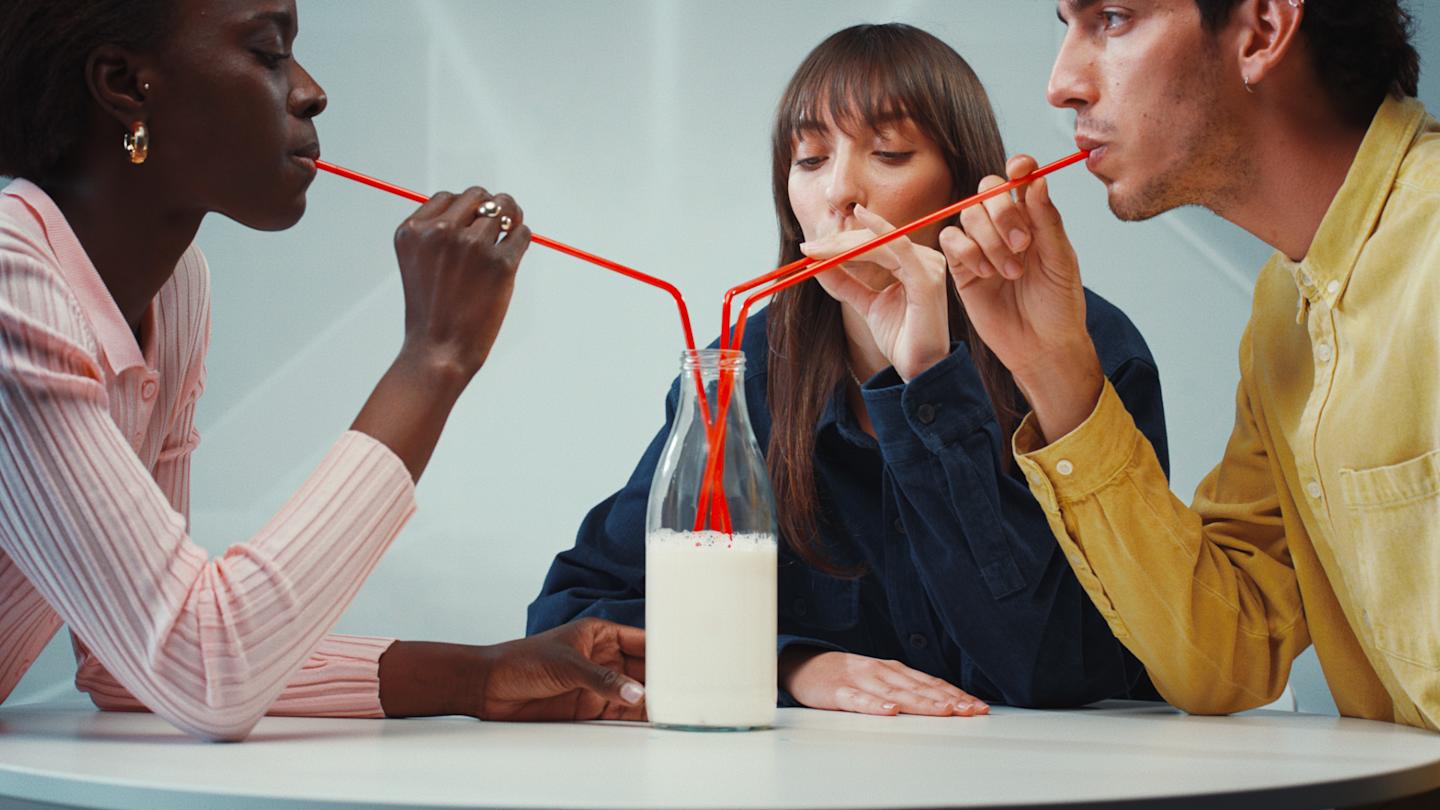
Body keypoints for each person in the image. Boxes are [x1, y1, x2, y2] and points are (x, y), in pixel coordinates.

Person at [0, 0, 645, 743]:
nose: (310, 90)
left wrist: (481, 674)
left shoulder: (175, 294)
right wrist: (432, 359)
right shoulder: (17, 291)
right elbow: (203, 669)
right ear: (125, 82)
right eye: (270, 53)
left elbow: (134, 657)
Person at [529, 23, 1166, 717]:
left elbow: (1065, 668)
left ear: (959, 182)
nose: (840, 192)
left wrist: (927, 381)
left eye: (889, 154)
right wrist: (789, 662)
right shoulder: (749, 371)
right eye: (809, 158)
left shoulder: (1088, 348)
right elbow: (574, 616)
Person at [940, 0, 1439, 731]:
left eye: (1112, 18)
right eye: (1066, 25)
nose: (1061, 83)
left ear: (1263, 29)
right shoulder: (1281, 310)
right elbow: (1225, 654)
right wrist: (1055, 369)